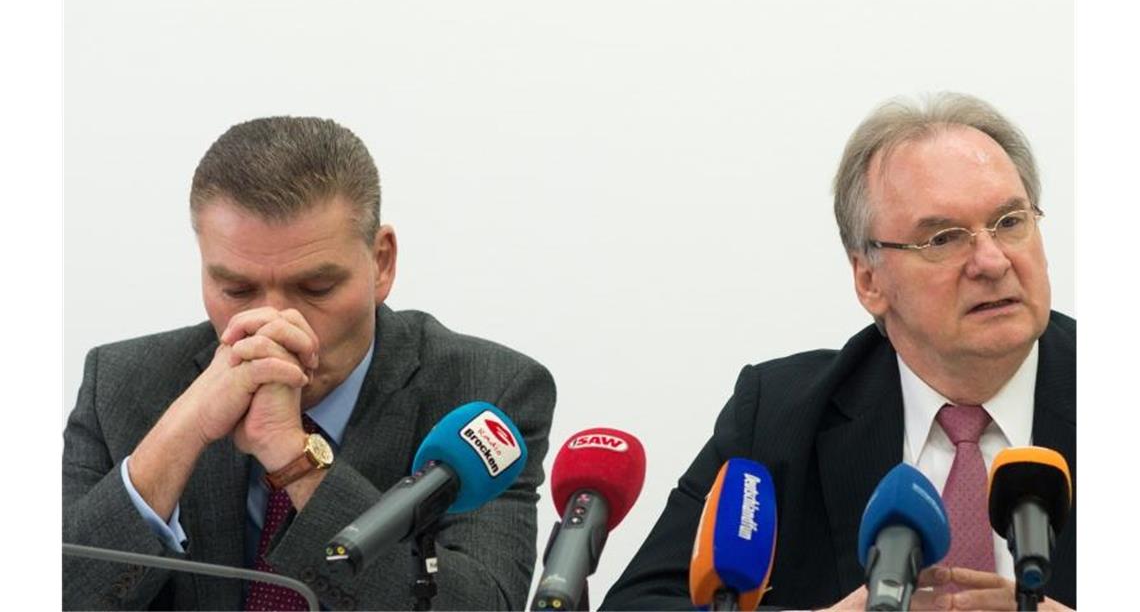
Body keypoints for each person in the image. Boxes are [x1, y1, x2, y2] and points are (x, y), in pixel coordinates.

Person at [601, 93, 1075, 611]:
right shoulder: (782, 415)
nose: (991, 260)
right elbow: (639, 603)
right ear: (869, 279)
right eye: (943, 238)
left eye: (1010, 222)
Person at [63, 116, 557, 610]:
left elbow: (479, 605)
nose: (275, 320)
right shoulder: (121, 383)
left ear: (382, 262)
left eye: (315, 288)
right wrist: (181, 433)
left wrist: (294, 457)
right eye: (237, 290)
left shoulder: (485, 394)